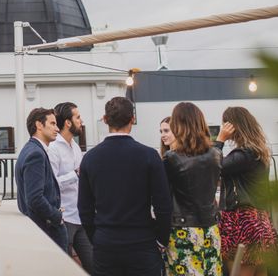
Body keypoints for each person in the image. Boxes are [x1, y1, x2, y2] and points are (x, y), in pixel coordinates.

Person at [78, 96, 171, 276]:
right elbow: (163, 205)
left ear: (105, 120)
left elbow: (84, 208)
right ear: (132, 119)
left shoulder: (90, 158)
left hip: (105, 242)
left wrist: (96, 238)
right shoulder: (149, 156)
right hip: (142, 242)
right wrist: (162, 240)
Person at [215, 107, 277, 276]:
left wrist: (219, 140)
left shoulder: (244, 154)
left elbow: (214, 167)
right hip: (258, 220)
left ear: (233, 125)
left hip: (241, 221)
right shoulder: (257, 152)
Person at [164, 102, 222, 276]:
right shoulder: (216, 155)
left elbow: (163, 196)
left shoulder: (172, 158)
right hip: (211, 229)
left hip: (183, 230)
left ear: (177, 125)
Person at [47, 102, 93, 273]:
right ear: (68, 122)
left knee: (93, 266)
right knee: (64, 269)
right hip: (63, 219)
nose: (81, 121)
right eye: (78, 117)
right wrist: (75, 174)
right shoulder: (53, 148)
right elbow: (51, 184)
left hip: (81, 216)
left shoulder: (75, 146)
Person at [15, 107, 68, 251]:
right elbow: (34, 198)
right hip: (47, 231)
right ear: (39, 125)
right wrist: (56, 216)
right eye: (52, 123)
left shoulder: (30, 149)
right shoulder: (35, 154)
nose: (57, 128)